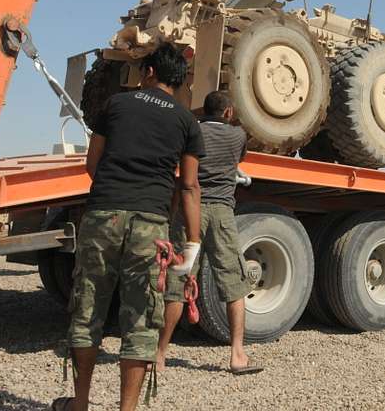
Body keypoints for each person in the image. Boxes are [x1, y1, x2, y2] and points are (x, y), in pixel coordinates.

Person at [53, 43, 204, 411]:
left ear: (149, 72)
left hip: (104, 214)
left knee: (88, 311)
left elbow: (93, 163)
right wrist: (193, 243)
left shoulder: (116, 106)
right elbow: (188, 185)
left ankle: (81, 402)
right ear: (178, 80)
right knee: (141, 319)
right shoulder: (186, 122)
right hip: (150, 225)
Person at [156, 90, 261, 375]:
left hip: (191, 209)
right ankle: (237, 355)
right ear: (228, 113)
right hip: (222, 213)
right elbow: (239, 156)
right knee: (233, 283)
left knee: (178, 284)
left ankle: (160, 354)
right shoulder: (238, 136)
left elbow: (183, 175)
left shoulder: (192, 131)